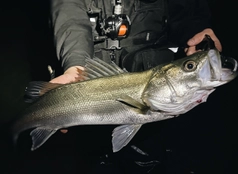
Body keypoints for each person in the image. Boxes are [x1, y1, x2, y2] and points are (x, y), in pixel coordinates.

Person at [49, 0, 222, 173]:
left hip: (153, 87)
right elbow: (70, 15)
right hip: (89, 88)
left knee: (146, 157)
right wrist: (75, 67)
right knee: (84, 159)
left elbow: (184, 10)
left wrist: (197, 30)